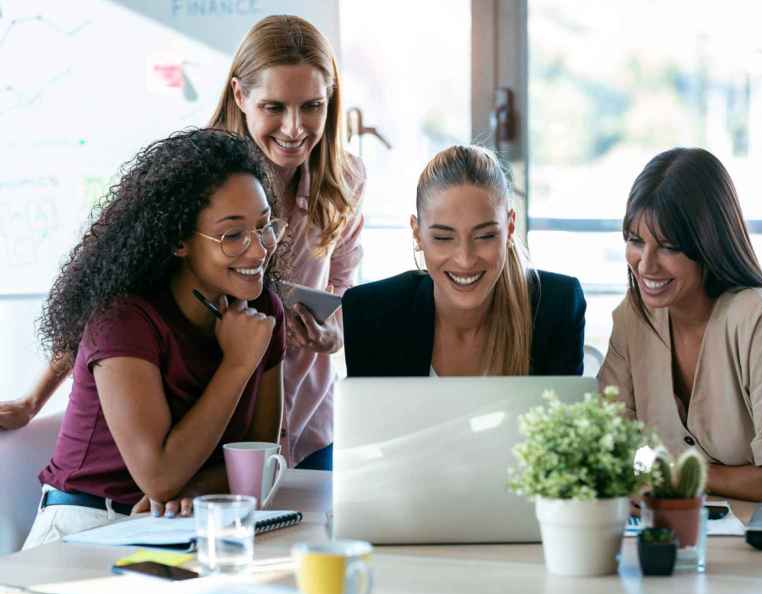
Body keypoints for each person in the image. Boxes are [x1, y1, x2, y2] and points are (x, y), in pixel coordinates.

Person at [1, 16, 365, 472]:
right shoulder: (192, 176)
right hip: (211, 427)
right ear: (240, 96)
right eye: (274, 107)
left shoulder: (345, 181)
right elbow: (102, 280)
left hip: (306, 422)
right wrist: (34, 400)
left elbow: (344, 292)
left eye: (312, 106)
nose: (295, 129)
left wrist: (332, 336)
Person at [23, 128, 287, 548]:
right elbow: (159, 475)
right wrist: (238, 365)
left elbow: (258, 457)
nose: (259, 251)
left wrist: (193, 489)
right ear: (179, 240)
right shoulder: (123, 319)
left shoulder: (262, 310)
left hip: (184, 519)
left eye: (264, 226)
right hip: (86, 524)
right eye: (233, 235)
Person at [598, 147, 762, 502]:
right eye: (636, 241)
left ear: (708, 244)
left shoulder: (758, 316)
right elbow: (609, 450)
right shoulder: (633, 317)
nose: (646, 265)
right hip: (692, 535)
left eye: (668, 247)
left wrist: (676, 474)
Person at [342, 144, 585, 376]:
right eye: (443, 237)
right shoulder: (371, 315)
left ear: (510, 228)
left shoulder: (557, 308)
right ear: (417, 233)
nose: (465, 260)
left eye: (485, 236)